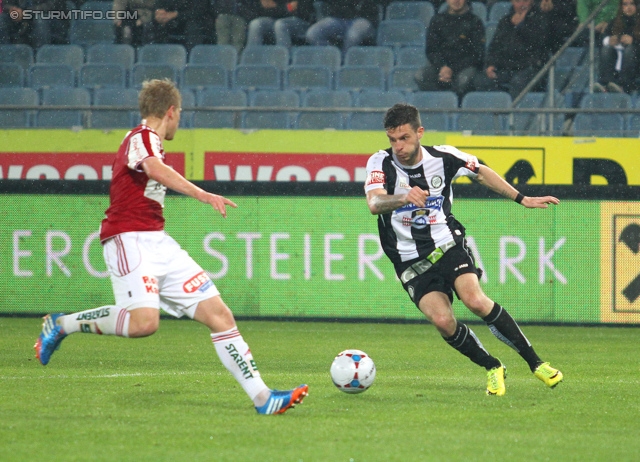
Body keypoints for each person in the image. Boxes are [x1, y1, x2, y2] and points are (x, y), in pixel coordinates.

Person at [34, 79, 308, 415]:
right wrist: (203, 194)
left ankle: (264, 399)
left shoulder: (146, 141)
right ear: (171, 111)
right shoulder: (142, 137)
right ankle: (62, 324)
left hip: (158, 242)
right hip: (128, 239)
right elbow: (154, 169)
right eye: (180, 116)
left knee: (220, 316)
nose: (179, 122)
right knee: (144, 324)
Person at [364, 103, 563, 396]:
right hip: (408, 260)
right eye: (392, 139)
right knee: (443, 321)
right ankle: (493, 367)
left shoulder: (444, 157)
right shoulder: (380, 163)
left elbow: (481, 172)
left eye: (404, 138)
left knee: (475, 301)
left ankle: (537, 363)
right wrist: (404, 197)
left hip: (446, 243)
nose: (398, 146)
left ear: (419, 132)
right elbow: (374, 204)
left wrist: (521, 198)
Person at [474, 0, 549, 98]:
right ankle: (500, 106)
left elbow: (539, 43)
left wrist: (521, 26)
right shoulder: (505, 21)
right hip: (506, 67)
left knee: (518, 82)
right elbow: (494, 46)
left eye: (525, 1)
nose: (522, 5)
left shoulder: (541, 19)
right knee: (481, 80)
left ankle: (512, 111)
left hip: (530, 68)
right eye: (518, 1)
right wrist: (490, 64)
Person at [414, 0, 485, 100]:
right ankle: (439, 105)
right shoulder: (437, 20)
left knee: (465, 80)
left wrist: (452, 69)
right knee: (420, 76)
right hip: (441, 68)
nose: (456, 1)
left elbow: (477, 55)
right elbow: (431, 50)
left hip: (464, 68)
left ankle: (455, 107)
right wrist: (442, 67)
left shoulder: (475, 22)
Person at [593, 0, 640, 93]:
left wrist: (634, 41)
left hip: (635, 65)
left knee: (630, 50)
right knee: (606, 48)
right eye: (625, 4)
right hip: (616, 60)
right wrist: (608, 40)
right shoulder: (615, 22)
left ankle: (625, 85)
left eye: (632, 4)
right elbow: (601, 40)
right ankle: (607, 83)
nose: (628, 7)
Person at [305, 0, 383, 54]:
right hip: (338, 19)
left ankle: (344, 61)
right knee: (312, 33)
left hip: (363, 19)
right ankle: (333, 56)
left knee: (352, 36)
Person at [245, 0, 315, 47]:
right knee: (256, 24)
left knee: (281, 24)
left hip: (301, 23)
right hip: (277, 20)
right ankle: (251, 62)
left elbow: (302, 12)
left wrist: (277, 9)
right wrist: (287, 8)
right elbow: (265, 11)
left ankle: (282, 59)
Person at [0, 0, 69, 46]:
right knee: (2, 19)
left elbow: (52, 5)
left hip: (51, 19)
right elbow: (6, 3)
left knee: (40, 20)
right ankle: (7, 56)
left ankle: (41, 57)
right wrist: (12, 9)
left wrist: (26, 12)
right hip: (22, 19)